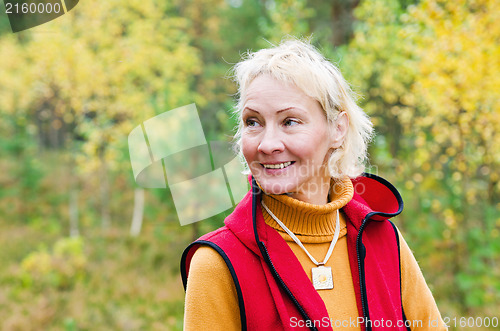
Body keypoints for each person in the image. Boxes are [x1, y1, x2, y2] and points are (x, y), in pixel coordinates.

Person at [180, 39, 446, 331]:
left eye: (290, 121)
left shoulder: (383, 239)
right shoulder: (218, 263)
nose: (267, 144)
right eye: (253, 122)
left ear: (337, 129)